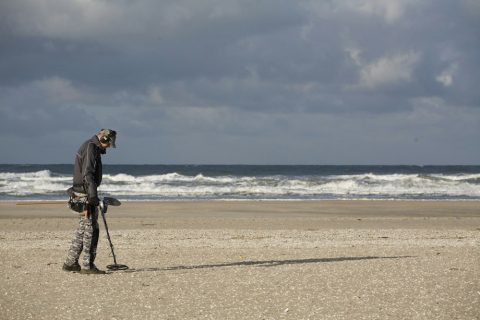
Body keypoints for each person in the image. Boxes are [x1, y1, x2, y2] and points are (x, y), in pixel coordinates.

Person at [62, 129, 117, 274]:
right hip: (85, 195)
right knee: (91, 229)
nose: (109, 146)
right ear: (104, 138)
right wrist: (92, 197)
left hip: (81, 193)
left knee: (83, 229)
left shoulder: (90, 146)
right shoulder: (90, 148)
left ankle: (70, 263)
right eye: (109, 143)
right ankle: (87, 266)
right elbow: (88, 175)